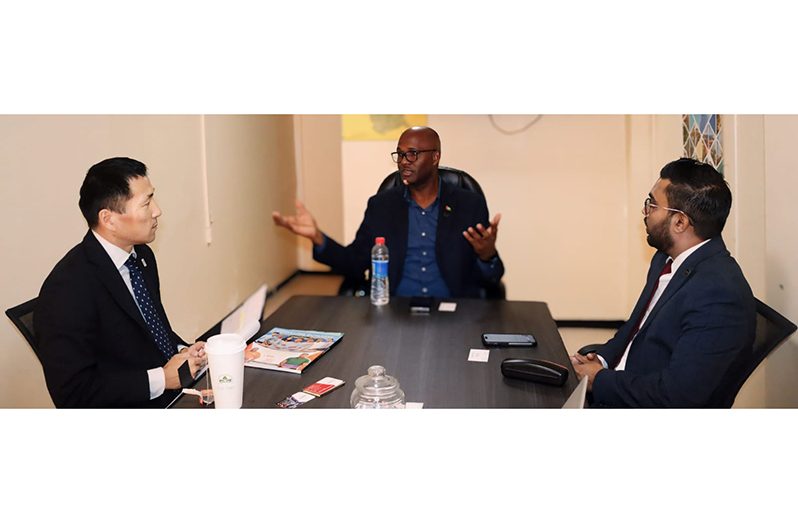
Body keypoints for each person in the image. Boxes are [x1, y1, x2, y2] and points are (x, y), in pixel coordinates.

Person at [570, 158, 756, 407]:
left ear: (680, 222)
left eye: (652, 205)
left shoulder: (720, 293)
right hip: (624, 385)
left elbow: (676, 396)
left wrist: (599, 380)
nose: (645, 213)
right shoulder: (665, 260)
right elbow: (634, 329)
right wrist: (601, 360)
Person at [35, 157, 207, 408]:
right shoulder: (67, 289)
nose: (157, 210)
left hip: (167, 394)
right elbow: (73, 394)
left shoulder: (141, 255)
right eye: (146, 203)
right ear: (109, 219)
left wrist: (182, 351)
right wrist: (162, 378)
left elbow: (149, 327)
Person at [272, 126, 504, 298]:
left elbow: (492, 277)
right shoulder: (381, 206)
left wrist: (487, 255)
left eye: (412, 154)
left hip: (454, 312)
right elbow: (354, 262)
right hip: (393, 311)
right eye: (400, 154)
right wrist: (318, 237)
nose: (404, 161)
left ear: (435, 157)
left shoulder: (468, 204)